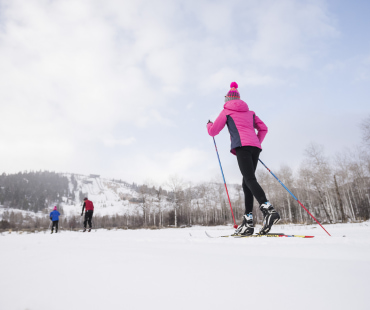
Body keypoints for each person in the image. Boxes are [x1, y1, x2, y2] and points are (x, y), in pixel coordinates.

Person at [207, 82, 280, 235]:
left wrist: (209, 125)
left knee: (249, 180)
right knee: (247, 182)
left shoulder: (226, 111)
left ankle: (268, 209)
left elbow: (213, 132)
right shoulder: (250, 113)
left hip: (242, 147)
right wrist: (256, 142)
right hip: (255, 147)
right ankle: (248, 222)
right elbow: (263, 128)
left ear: (227, 99)